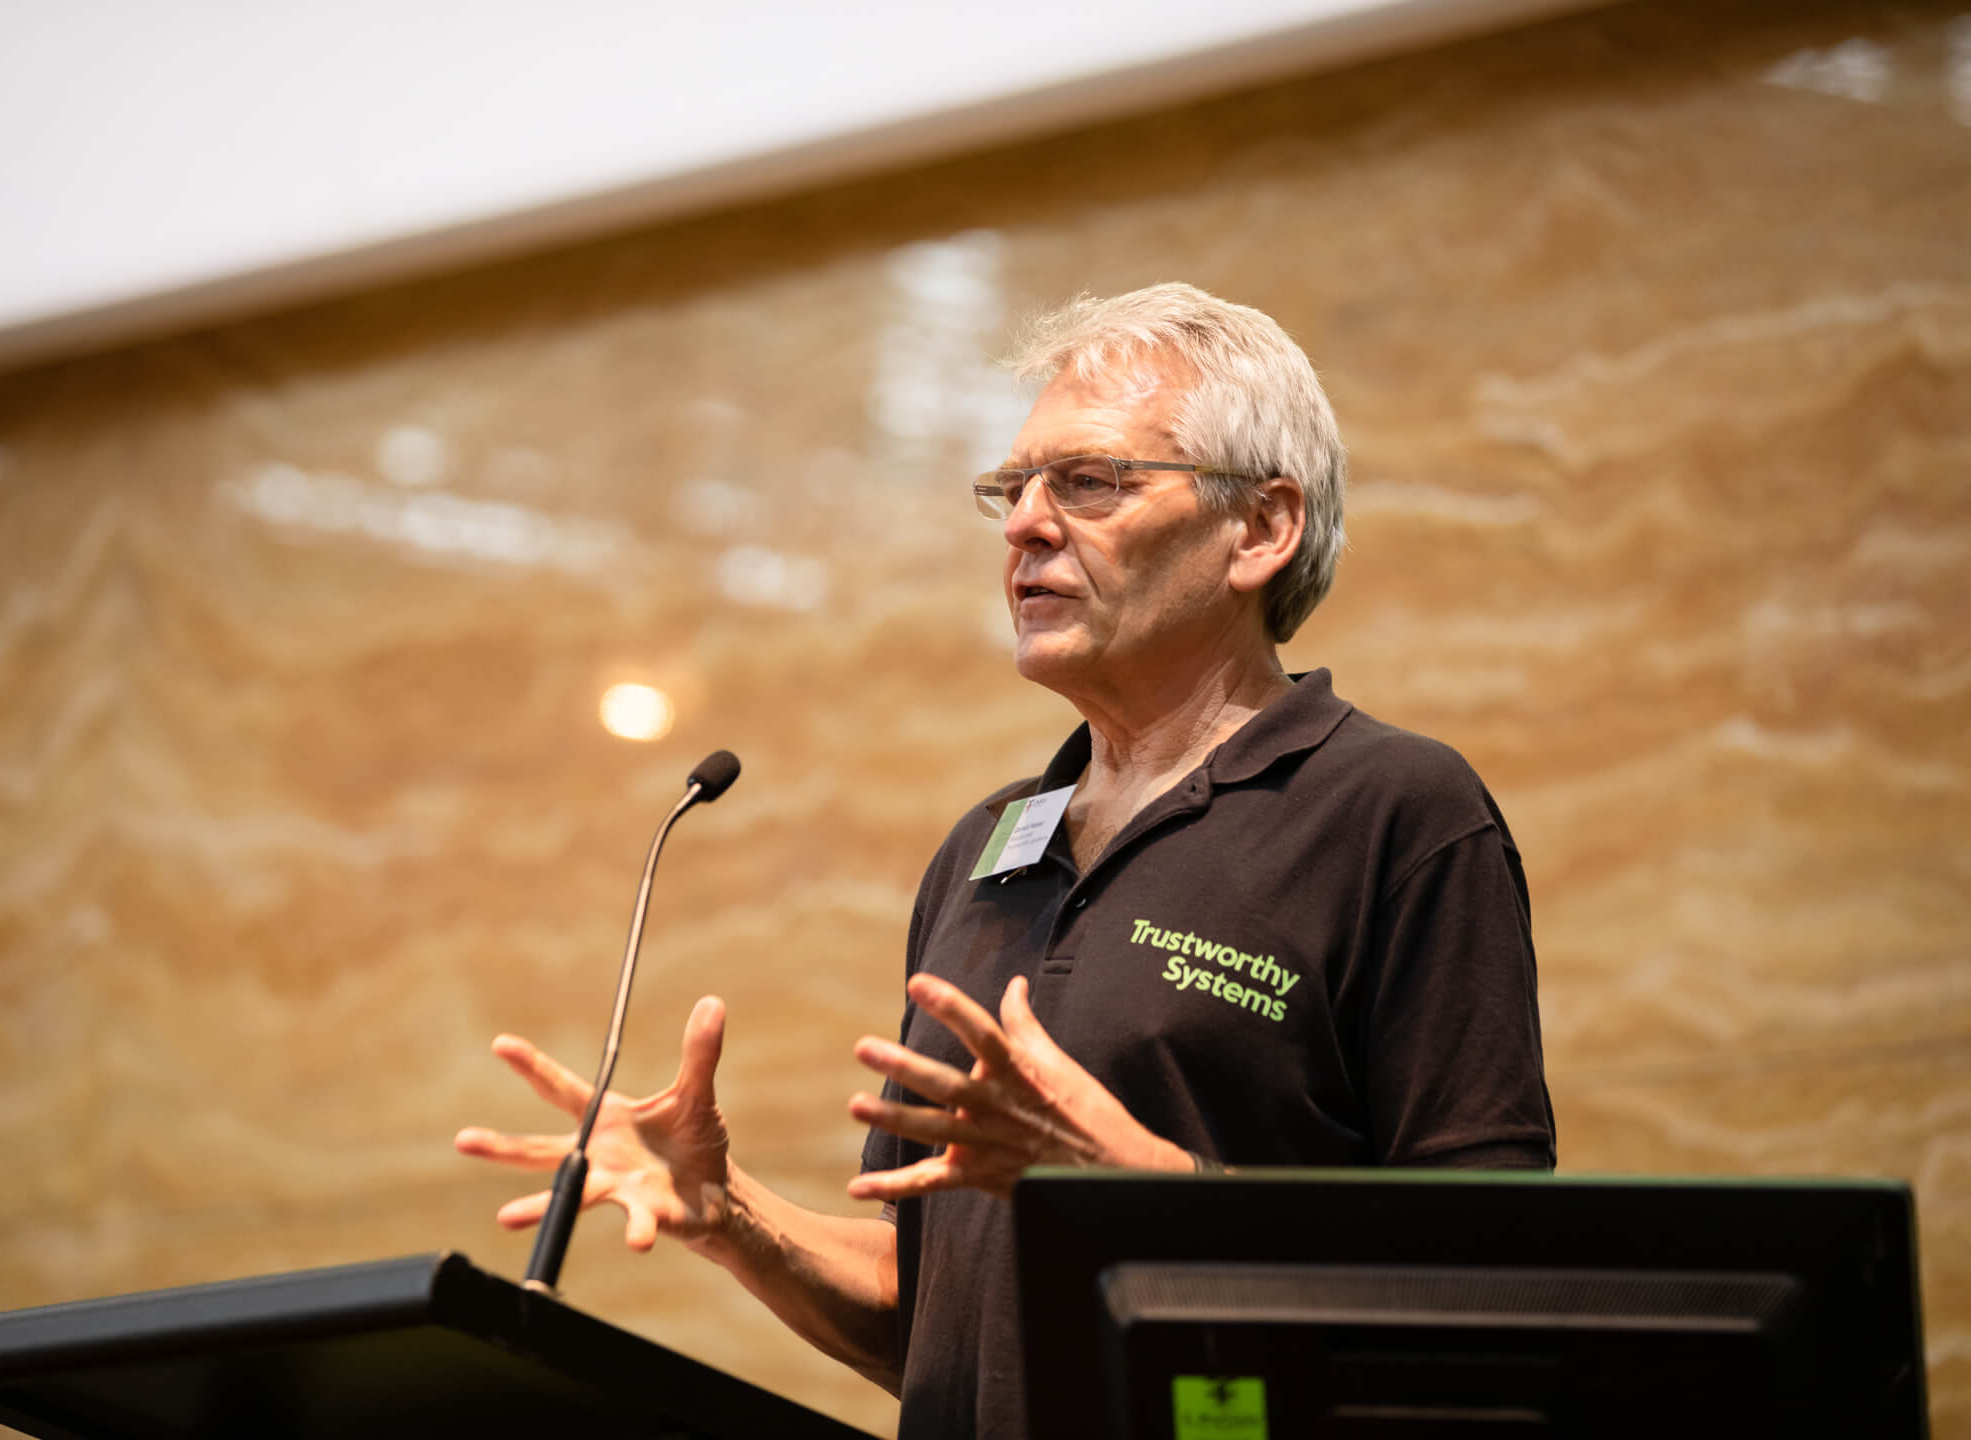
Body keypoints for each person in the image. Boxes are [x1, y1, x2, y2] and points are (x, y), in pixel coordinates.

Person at [455, 284, 1555, 1439]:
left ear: (1261, 529)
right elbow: (924, 1315)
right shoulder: (986, 848)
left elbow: (1489, 1282)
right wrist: (730, 1216)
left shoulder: (1396, 811)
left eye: (1090, 483)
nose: (1026, 524)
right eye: (1012, 488)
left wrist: (1143, 1199)